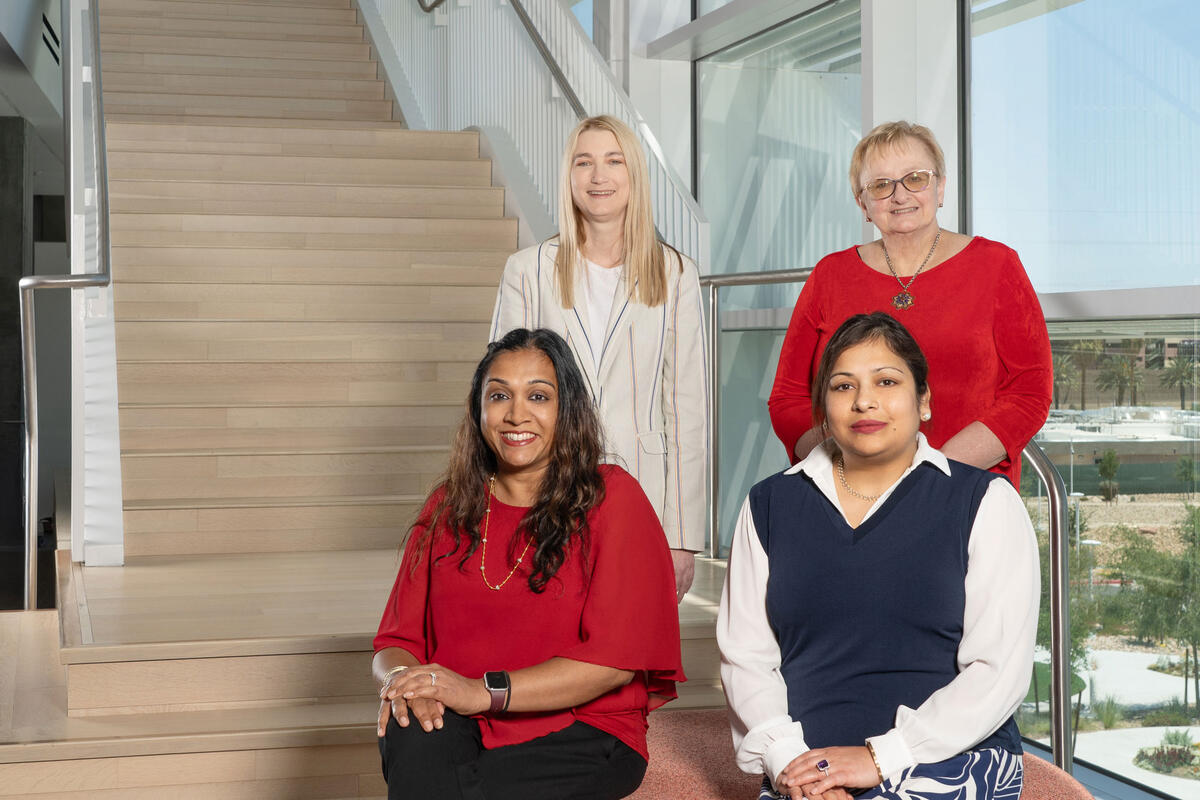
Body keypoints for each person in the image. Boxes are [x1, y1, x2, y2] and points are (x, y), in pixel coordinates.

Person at [719, 312, 1039, 800]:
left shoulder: (985, 502)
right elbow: (745, 658)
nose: (864, 400)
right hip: (809, 760)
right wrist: (792, 763)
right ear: (823, 407)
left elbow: (999, 672)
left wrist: (878, 757)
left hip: (948, 753)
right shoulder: (769, 504)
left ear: (924, 400)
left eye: (886, 381)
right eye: (842, 386)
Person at [373, 327, 685, 800]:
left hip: (584, 729)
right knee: (411, 731)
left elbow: (611, 666)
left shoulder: (612, 498)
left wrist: (481, 691)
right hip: (462, 715)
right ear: (479, 409)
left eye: (538, 396)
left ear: (567, 411)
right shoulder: (447, 505)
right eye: (499, 395)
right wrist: (402, 682)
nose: (517, 414)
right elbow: (395, 643)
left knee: (457, 786)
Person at [490, 115, 708, 601]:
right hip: (545, 489)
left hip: (642, 492)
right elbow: (503, 400)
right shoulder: (527, 271)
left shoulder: (675, 273)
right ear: (569, 177)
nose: (598, 176)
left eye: (613, 161)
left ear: (633, 175)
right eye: (583, 162)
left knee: (628, 641)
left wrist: (683, 537)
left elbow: (687, 410)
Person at [768, 120, 1051, 488]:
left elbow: (1030, 391)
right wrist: (846, 465)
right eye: (881, 185)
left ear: (940, 186)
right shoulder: (829, 275)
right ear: (863, 203)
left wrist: (933, 471)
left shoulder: (997, 266)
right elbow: (788, 398)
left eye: (915, 178)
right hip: (851, 493)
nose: (900, 196)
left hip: (965, 487)